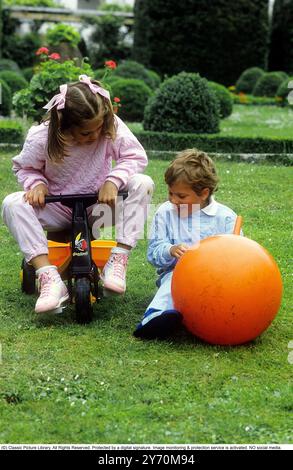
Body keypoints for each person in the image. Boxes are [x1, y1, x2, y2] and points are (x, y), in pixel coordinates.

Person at [2, 75, 154, 314]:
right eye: (85, 133)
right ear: (64, 125)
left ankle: (119, 259)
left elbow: (134, 155)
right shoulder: (42, 136)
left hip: (99, 206)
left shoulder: (110, 125)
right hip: (57, 206)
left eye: (99, 128)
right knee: (12, 203)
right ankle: (49, 277)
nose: (94, 136)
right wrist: (36, 184)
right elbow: (25, 167)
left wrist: (113, 181)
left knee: (143, 182)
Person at [133, 148, 241, 339]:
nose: (173, 200)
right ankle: (154, 317)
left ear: (204, 193)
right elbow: (153, 253)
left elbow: (241, 257)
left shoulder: (225, 218)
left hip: (217, 281)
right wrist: (170, 250)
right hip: (178, 276)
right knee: (173, 281)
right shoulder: (165, 213)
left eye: (181, 196)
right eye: (170, 193)